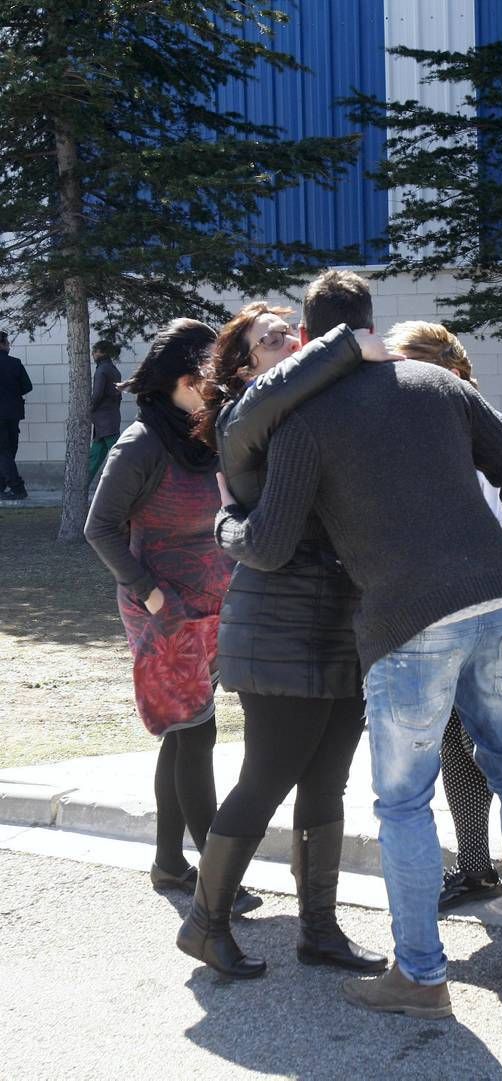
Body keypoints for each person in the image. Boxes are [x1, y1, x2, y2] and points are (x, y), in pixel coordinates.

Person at [205, 270, 502, 1017]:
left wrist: (224, 524)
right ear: (372, 321)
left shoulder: (306, 417)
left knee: (404, 803)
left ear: (313, 337)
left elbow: (267, 546)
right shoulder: (440, 382)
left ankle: (422, 977)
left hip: (407, 617)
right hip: (498, 595)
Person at [176, 292, 389, 980]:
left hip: (338, 624)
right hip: (277, 629)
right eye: (271, 342)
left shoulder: (310, 416)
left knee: (327, 781)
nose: (289, 349)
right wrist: (351, 341)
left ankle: (319, 930)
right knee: (266, 777)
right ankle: (205, 922)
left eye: (289, 337)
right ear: (241, 370)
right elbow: (267, 543)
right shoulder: (246, 419)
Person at [85, 319, 258, 916]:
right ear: (185, 382)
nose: (222, 389)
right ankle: (216, 881)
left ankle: (168, 863)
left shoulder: (203, 433)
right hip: (163, 613)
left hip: (211, 608)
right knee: (196, 734)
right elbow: (99, 527)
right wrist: (152, 596)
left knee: (184, 737)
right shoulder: (141, 444)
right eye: (212, 380)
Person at [383, 319, 502, 912]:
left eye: (410, 373)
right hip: (484, 617)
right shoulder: (461, 442)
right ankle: (492, 876)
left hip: (492, 622)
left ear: (452, 376)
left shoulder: (490, 441)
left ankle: (500, 879)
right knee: (475, 753)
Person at [0, 330, 33, 500]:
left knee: (3, 452)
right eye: (7, 342)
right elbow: (27, 387)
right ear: (3, 344)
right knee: (9, 450)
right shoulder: (15, 363)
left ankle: (15, 487)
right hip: (13, 412)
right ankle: (12, 486)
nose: (9, 345)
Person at [89, 340, 122, 481]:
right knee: (95, 455)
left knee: (119, 456)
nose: (93, 354)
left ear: (101, 352)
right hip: (110, 416)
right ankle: (82, 484)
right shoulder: (113, 369)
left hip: (103, 418)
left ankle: (127, 484)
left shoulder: (101, 370)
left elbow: (97, 395)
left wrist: (89, 410)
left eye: (95, 351)